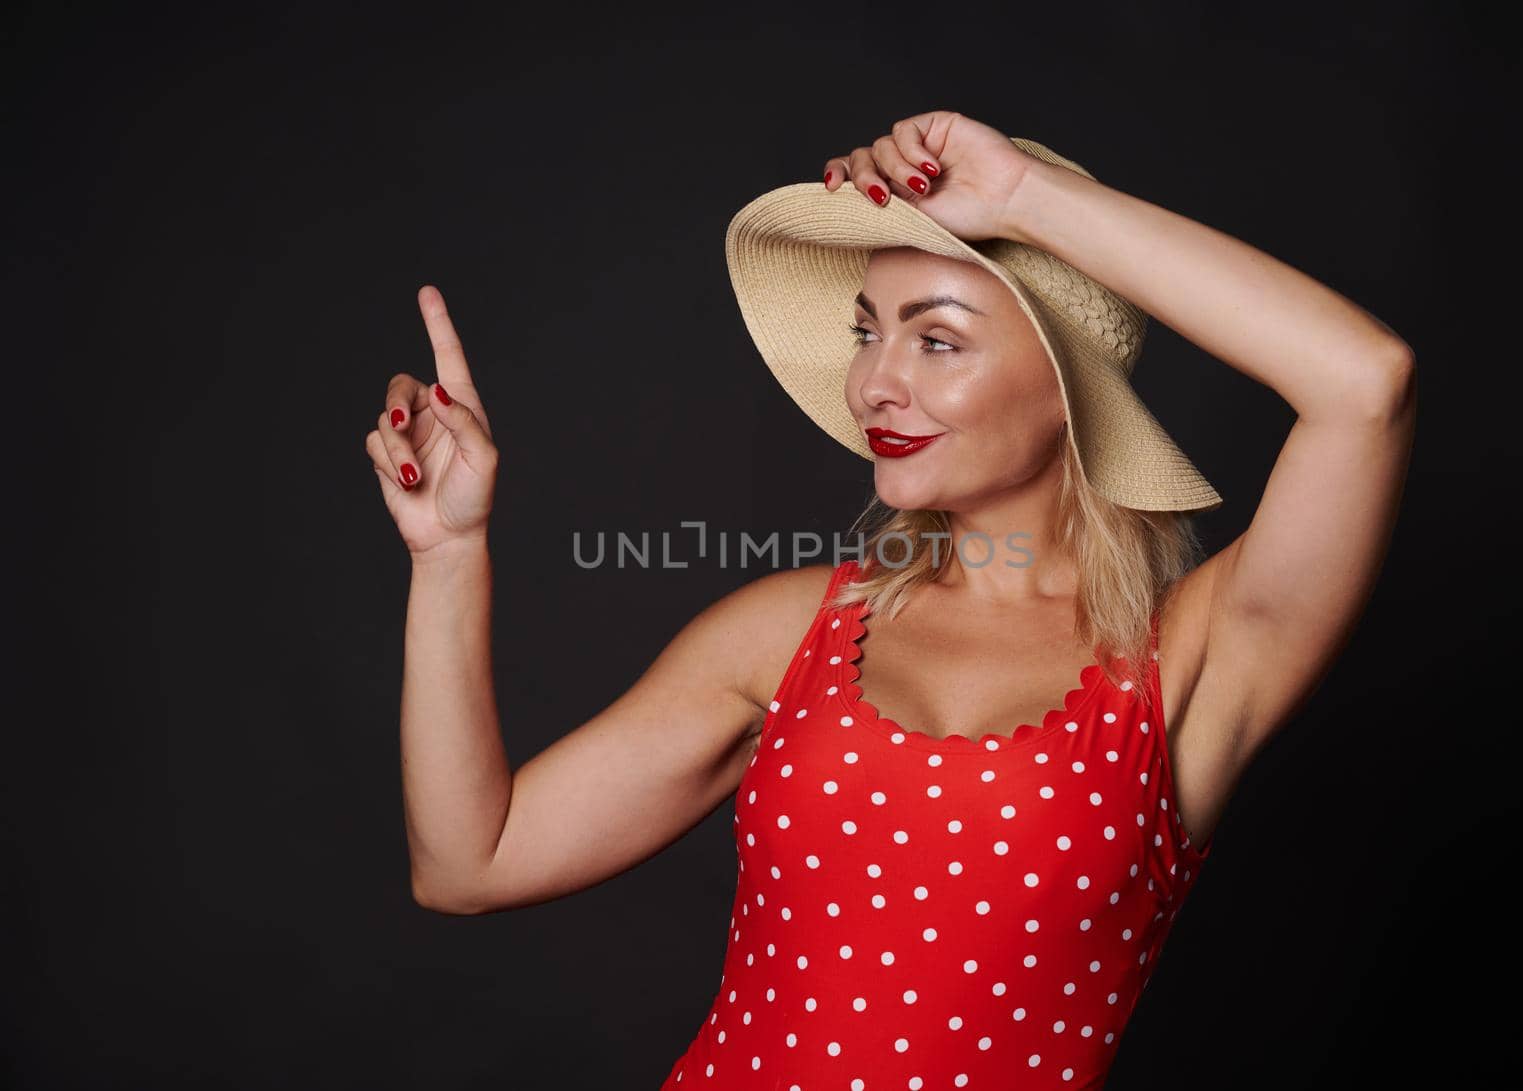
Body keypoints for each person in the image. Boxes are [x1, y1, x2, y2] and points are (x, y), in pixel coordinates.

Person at [364, 110, 1415, 1089]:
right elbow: (469, 861)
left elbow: (1364, 382)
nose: (875, 383)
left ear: (1069, 386)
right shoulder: (787, 630)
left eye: (938, 337)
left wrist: (1018, 197)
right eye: (869, 332)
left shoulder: (1194, 660)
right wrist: (449, 551)